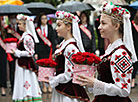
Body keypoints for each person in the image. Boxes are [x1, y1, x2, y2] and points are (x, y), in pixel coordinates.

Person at [77, 2, 137, 102]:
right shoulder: (111, 49)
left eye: (103, 23)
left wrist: (95, 83)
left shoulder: (120, 54)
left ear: (116, 26)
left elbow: (124, 90)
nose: (99, 27)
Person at [48, 11, 90, 102]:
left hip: (68, 90)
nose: (56, 28)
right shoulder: (64, 44)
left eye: (59, 25)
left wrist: (55, 79)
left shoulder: (70, 47)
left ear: (68, 27)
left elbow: (70, 74)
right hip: (61, 86)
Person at [11, 14, 42, 102]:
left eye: (20, 24)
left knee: (26, 80)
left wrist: (18, 53)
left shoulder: (27, 37)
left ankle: (27, 97)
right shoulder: (24, 35)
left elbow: (30, 52)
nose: (18, 25)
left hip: (25, 64)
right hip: (22, 63)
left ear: (25, 25)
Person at [35, 13, 57, 93]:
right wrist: (36, 52)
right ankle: (44, 85)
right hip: (41, 51)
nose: (44, 20)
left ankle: (50, 85)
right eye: (42, 18)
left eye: (45, 18)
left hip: (49, 50)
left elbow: (53, 39)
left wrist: (54, 50)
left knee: (49, 68)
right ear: (40, 20)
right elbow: (36, 41)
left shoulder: (50, 28)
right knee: (42, 68)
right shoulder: (37, 29)